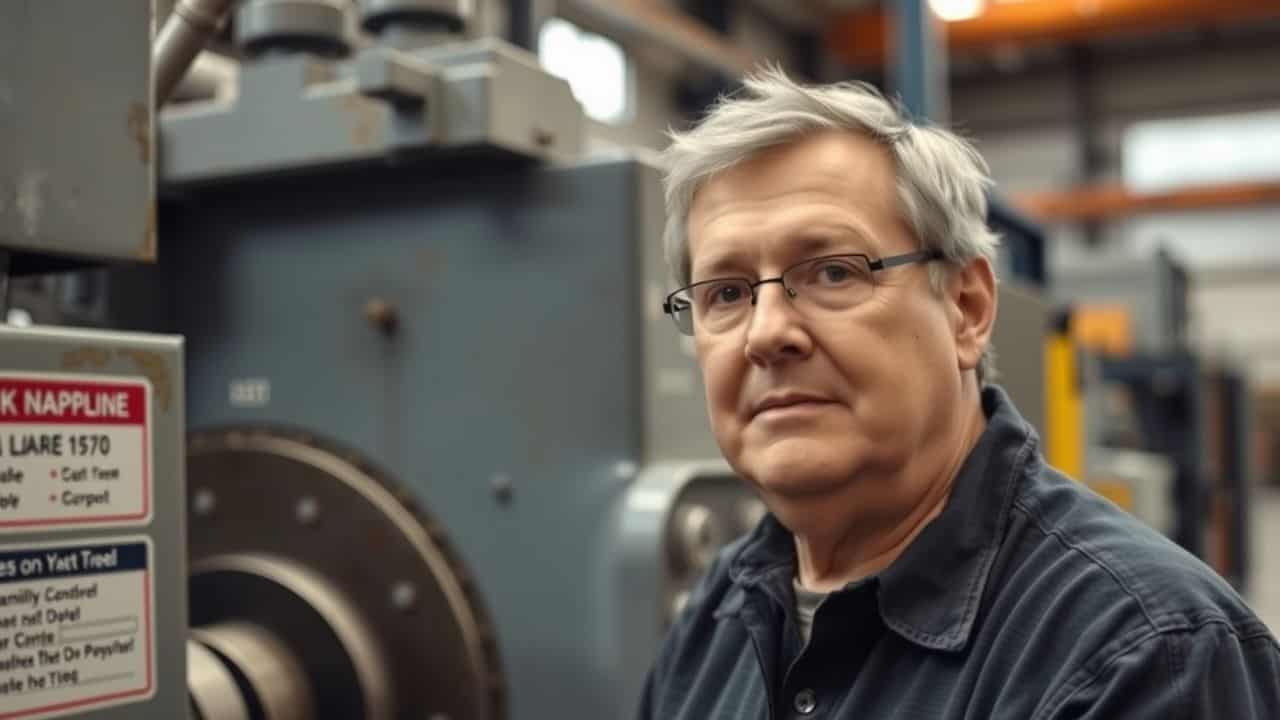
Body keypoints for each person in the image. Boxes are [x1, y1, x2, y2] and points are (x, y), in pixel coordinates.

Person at [637, 67, 1280, 719]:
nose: (767, 332)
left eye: (833, 271)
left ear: (967, 308)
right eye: (726, 293)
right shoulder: (717, 617)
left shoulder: (1146, 654)